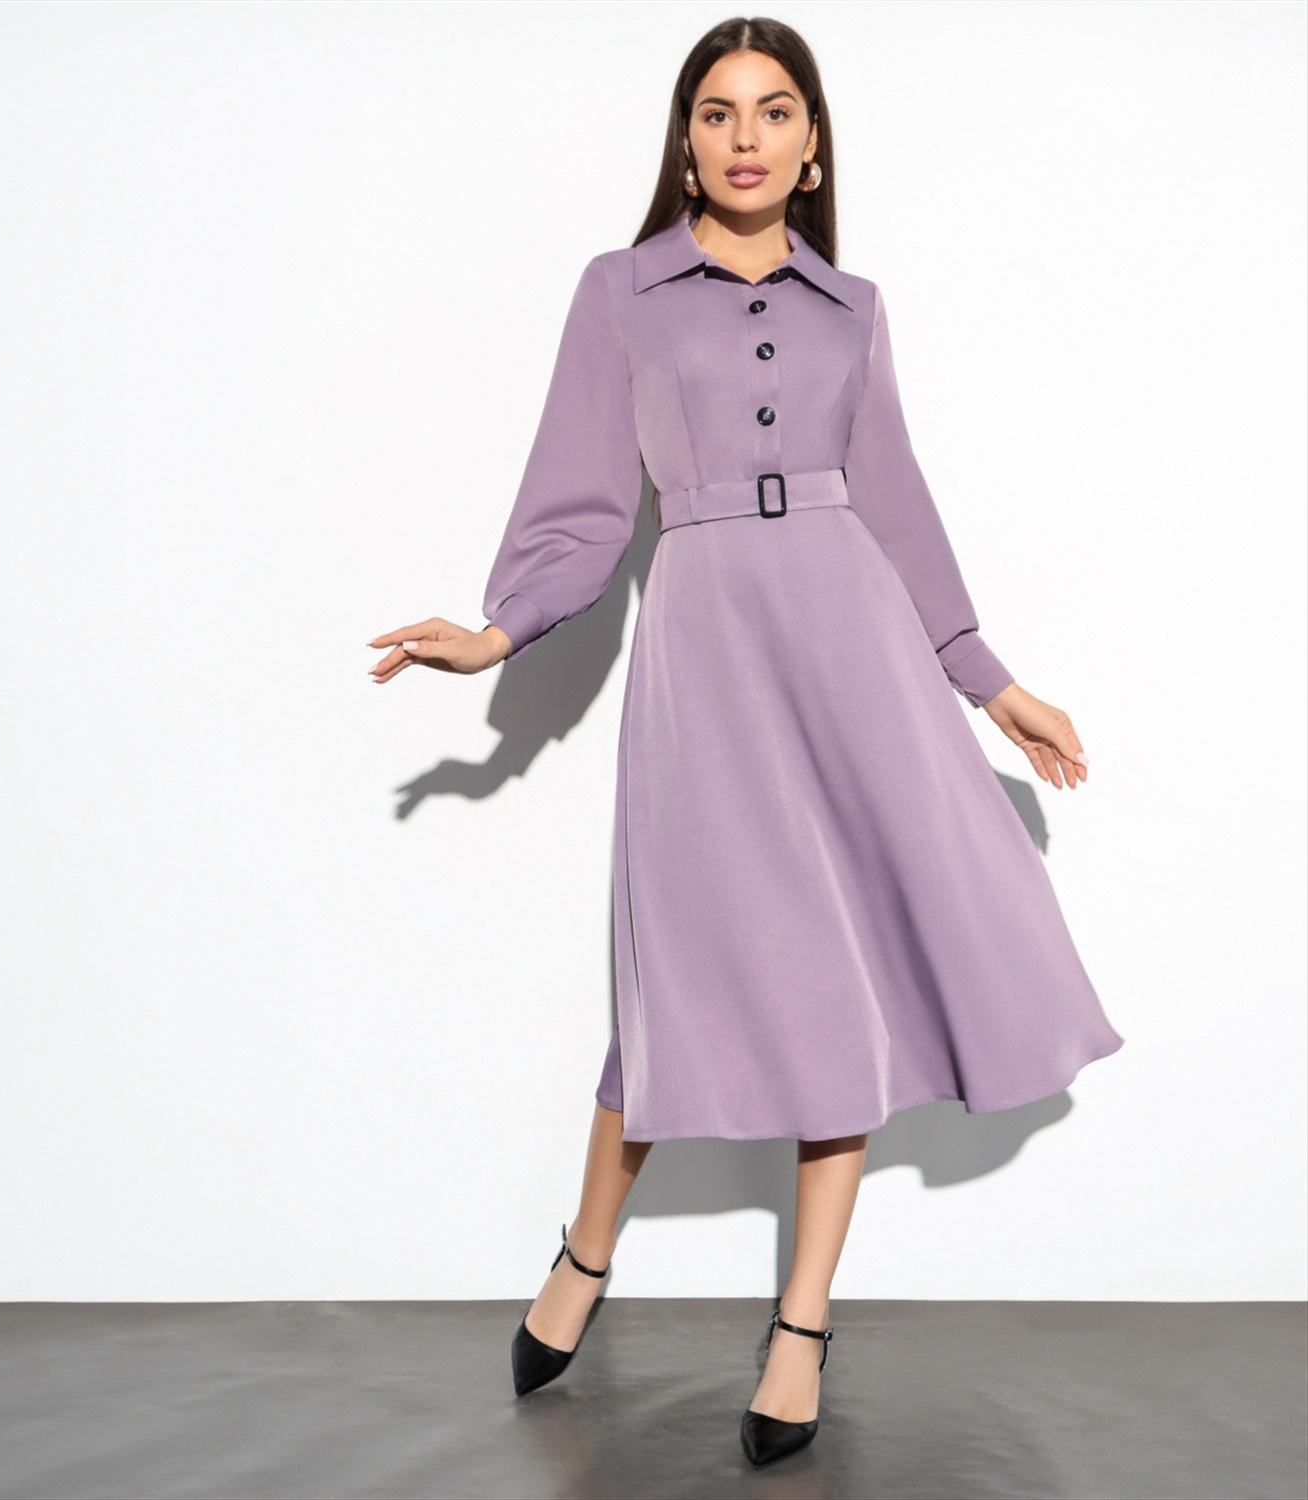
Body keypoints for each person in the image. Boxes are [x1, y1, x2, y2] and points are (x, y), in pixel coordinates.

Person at [366, 14, 1124, 1471]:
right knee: (678, 976)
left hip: (854, 652)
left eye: (775, 111)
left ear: (813, 143)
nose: (747, 137)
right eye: (717, 113)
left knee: (845, 986)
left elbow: (897, 508)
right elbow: (585, 499)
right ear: (686, 141)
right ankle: (585, 1253)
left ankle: (801, 1326)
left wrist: (990, 682)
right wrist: (500, 632)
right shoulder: (623, 292)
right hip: (707, 654)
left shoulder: (854, 310)